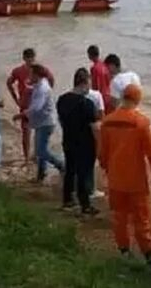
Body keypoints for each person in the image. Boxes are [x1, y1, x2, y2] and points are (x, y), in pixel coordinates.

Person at [99, 84, 151, 274]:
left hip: (115, 179)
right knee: (142, 219)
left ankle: (124, 252)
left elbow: (102, 153)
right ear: (138, 100)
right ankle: (150, 257)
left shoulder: (107, 121)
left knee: (119, 217)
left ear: (122, 98)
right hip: (136, 181)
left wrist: (108, 169)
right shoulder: (141, 123)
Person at [56, 68, 100, 215]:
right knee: (84, 173)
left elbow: (61, 121)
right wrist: (100, 145)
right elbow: (94, 128)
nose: (90, 87)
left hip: (68, 140)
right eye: (90, 83)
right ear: (85, 82)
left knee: (70, 170)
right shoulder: (87, 104)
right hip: (85, 144)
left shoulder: (62, 100)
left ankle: (67, 200)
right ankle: (85, 205)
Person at [7, 48, 55, 164]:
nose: (30, 61)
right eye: (28, 59)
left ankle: (38, 155)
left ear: (35, 57)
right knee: (26, 132)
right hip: (25, 105)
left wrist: (47, 95)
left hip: (37, 106)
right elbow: (9, 83)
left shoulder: (40, 70)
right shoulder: (18, 71)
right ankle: (27, 157)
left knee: (39, 131)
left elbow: (51, 79)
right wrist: (16, 99)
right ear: (24, 59)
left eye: (32, 58)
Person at [22, 63, 63, 182]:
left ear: (37, 75)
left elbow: (36, 107)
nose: (29, 76)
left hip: (46, 122)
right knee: (41, 149)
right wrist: (30, 87)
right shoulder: (41, 84)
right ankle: (41, 175)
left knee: (40, 151)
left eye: (31, 74)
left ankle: (61, 164)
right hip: (44, 121)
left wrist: (22, 114)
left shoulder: (42, 88)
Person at [85, 85, 106, 199]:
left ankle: (81, 186)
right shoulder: (97, 95)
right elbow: (102, 114)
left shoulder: (75, 95)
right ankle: (91, 189)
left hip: (80, 128)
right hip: (94, 128)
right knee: (92, 159)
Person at [87, 45, 112, 114]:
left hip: (101, 98)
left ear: (90, 55)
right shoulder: (104, 65)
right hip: (108, 96)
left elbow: (95, 85)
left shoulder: (94, 68)